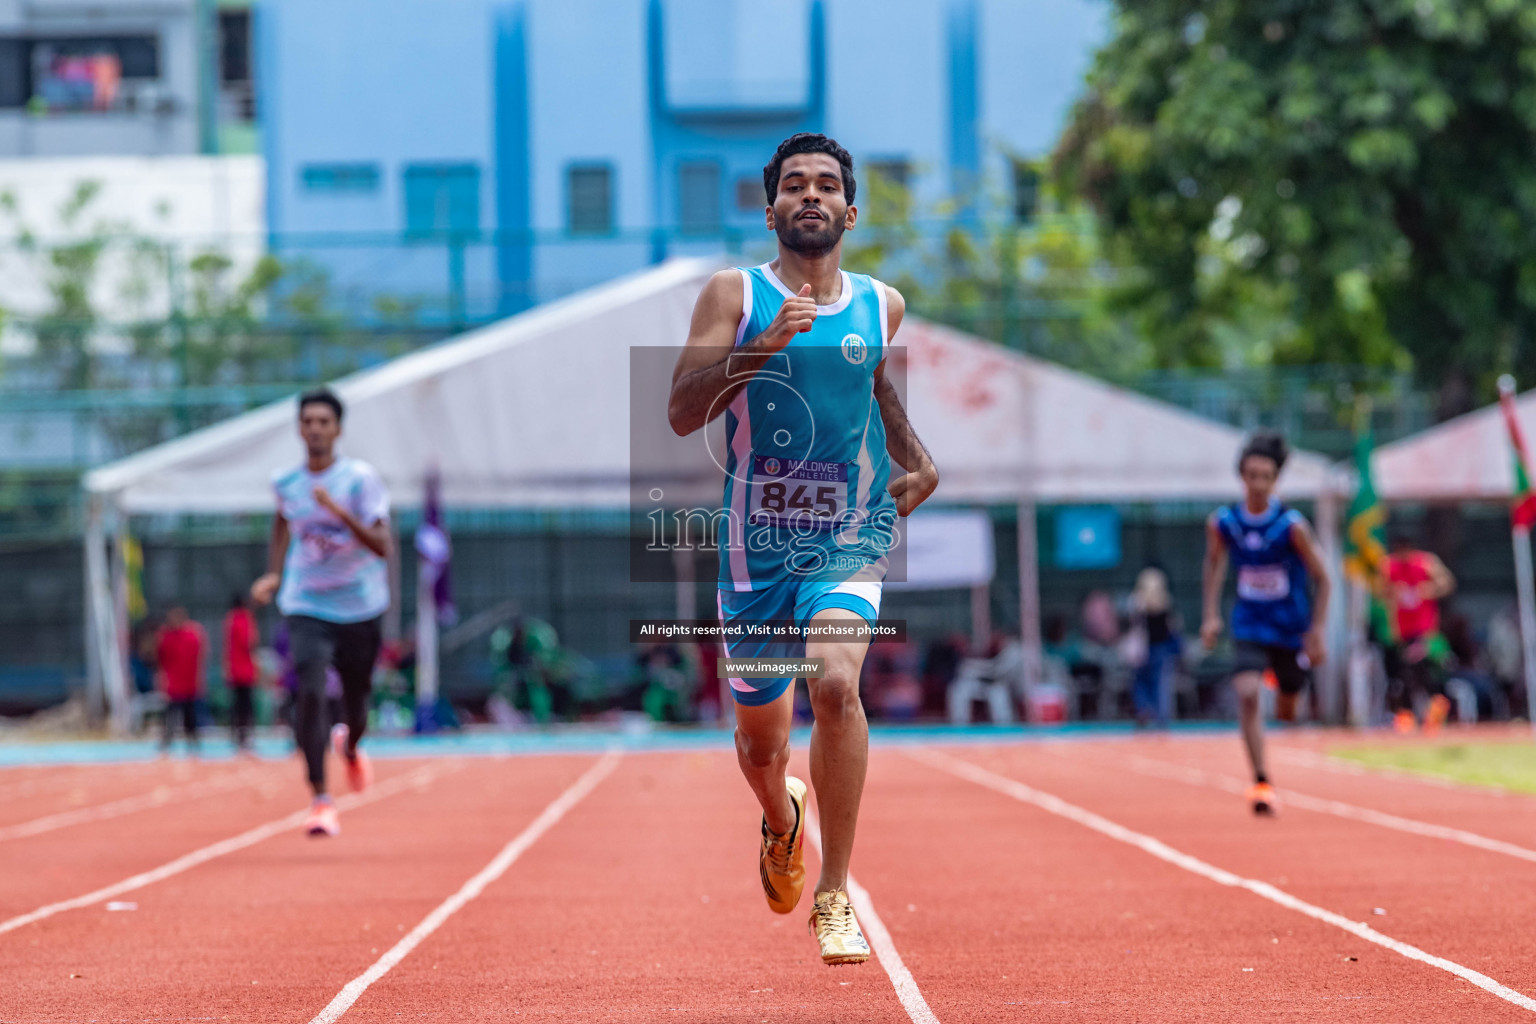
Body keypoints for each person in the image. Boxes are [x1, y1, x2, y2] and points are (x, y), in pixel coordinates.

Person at [668, 133, 939, 965]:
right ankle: (780, 819)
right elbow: (682, 412)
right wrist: (760, 350)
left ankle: (835, 892)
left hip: (848, 531)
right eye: (795, 186)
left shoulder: (881, 302)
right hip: (755, 546)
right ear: (771, 208)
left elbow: (873, 383)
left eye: (827, 186)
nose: (810, 196)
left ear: (851, 211)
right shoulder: (734, 293)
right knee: (760, 747)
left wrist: (914, 456)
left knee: (833, 684)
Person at [250, 388, 391, 838]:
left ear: (338, 429)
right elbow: (282, 521)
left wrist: (340, 513)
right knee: (309, 691)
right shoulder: (286, 483)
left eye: (323, 422)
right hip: (306, 602)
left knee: (356, 701)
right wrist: (273, 574)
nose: (314, 429)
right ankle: (320, 800)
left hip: (360, 605)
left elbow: (383, 546)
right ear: (299, 428)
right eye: (307, 421)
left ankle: (351, 748)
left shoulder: (360, 481)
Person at [1201, 430, 1331, 816]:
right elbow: (1213, 563)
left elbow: (1323, 578)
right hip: (1249, 622)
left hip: (1289, 625)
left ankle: (1282, 680)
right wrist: (1210, 614)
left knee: (1289, 707)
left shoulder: (1291, 526)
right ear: (1241, 475)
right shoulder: (1223, 522)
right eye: (1251, 475)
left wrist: (1317, 631)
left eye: (1265, 477)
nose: (1257, 484)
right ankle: (1260, 778)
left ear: (1276, 480)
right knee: (1246, 692)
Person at [1382, 531, 1457, 733]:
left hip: (1426, 632)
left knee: (1429, 675)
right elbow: (1380, 591)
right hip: (1402, 632)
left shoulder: (1426, 562)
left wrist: (1428, 589)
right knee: (1403, 677)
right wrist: (1392, 592)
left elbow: (1447, 582)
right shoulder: (1388, 566)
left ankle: (1437, 717)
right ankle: (1406, 717)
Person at [1127, 566, 1182, 728]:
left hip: (1144, 650)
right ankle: (1161, 717)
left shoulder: (1136, 602)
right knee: (1160, 684)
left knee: (1141, 682)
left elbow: (1133, 625)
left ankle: (1143, 709)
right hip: (1160, 649)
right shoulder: (1165, 601)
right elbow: (1173, 627)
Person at [156, 606, 206, 754]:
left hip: (189, 682)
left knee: (190, 717)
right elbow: (161, 659)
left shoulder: (193, 634)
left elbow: (200, 659)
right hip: (173, 683)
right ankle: (166, 744)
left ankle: (193, 744)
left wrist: (199, 680)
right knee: (170, 717)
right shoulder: (166, 636)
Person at [224, 591, 259, 753]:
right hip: (245, 668)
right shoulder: (244, 618)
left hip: (234, 668)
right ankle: (246, 736)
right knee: (246, 705)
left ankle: (237, 735)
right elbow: (249, 642)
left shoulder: (230, 619)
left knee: (237, 704)